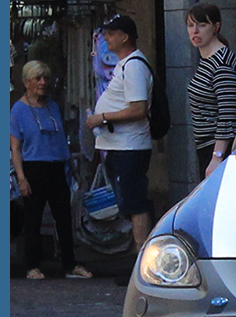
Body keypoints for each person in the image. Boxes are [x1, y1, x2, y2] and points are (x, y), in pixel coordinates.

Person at [10, 60, 93, 280]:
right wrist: (21, 178)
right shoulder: (18, 110)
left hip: (57, 166)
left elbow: (60, 140)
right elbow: (16, 147)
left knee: (64, 217)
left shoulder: (53, 106)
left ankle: (70, 263)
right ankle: (32, 266)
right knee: (33, 218)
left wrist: (73, 170)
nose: (43, 82)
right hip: (33, 167)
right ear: (27, 82)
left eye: (45, 78)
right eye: (38, 78)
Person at [84, 15, 153, 254]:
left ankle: (141, 262)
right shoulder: (124, 65)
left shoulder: (134, 66)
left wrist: (102, 118)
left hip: (130, 148)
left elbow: (138, 109)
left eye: (111, 34)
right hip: (118, 146)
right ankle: (137, 256)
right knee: (128, 203)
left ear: (125, 37)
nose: (106, 38)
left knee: (135, 204)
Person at [185, 2, 236, 179]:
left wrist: (217, 157)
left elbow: (228, 112)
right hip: (208, 144)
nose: (195, 31)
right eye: (191, 25)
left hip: (220, 147)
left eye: (202, 25)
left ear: (215, 27)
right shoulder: (208, 60)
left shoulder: (222, 63)